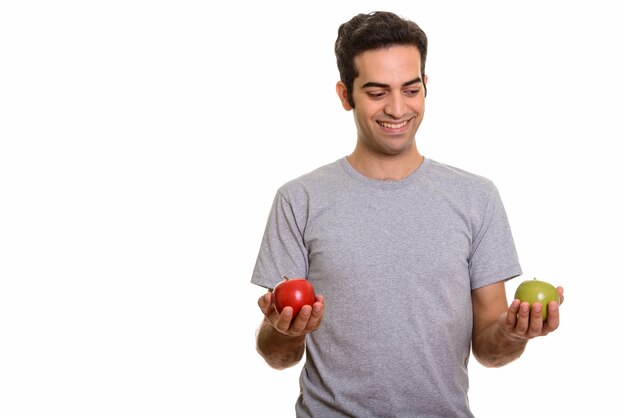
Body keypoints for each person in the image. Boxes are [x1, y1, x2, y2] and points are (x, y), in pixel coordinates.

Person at [251, 10, 564, 417]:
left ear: (426, 87)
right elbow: (277, 356)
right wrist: (282, 332)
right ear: (345, 95)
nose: (397, 109)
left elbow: (490, 351)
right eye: (377, 92)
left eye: (410, 90)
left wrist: (513, 332)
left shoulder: (476, 197)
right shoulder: (299, 200)